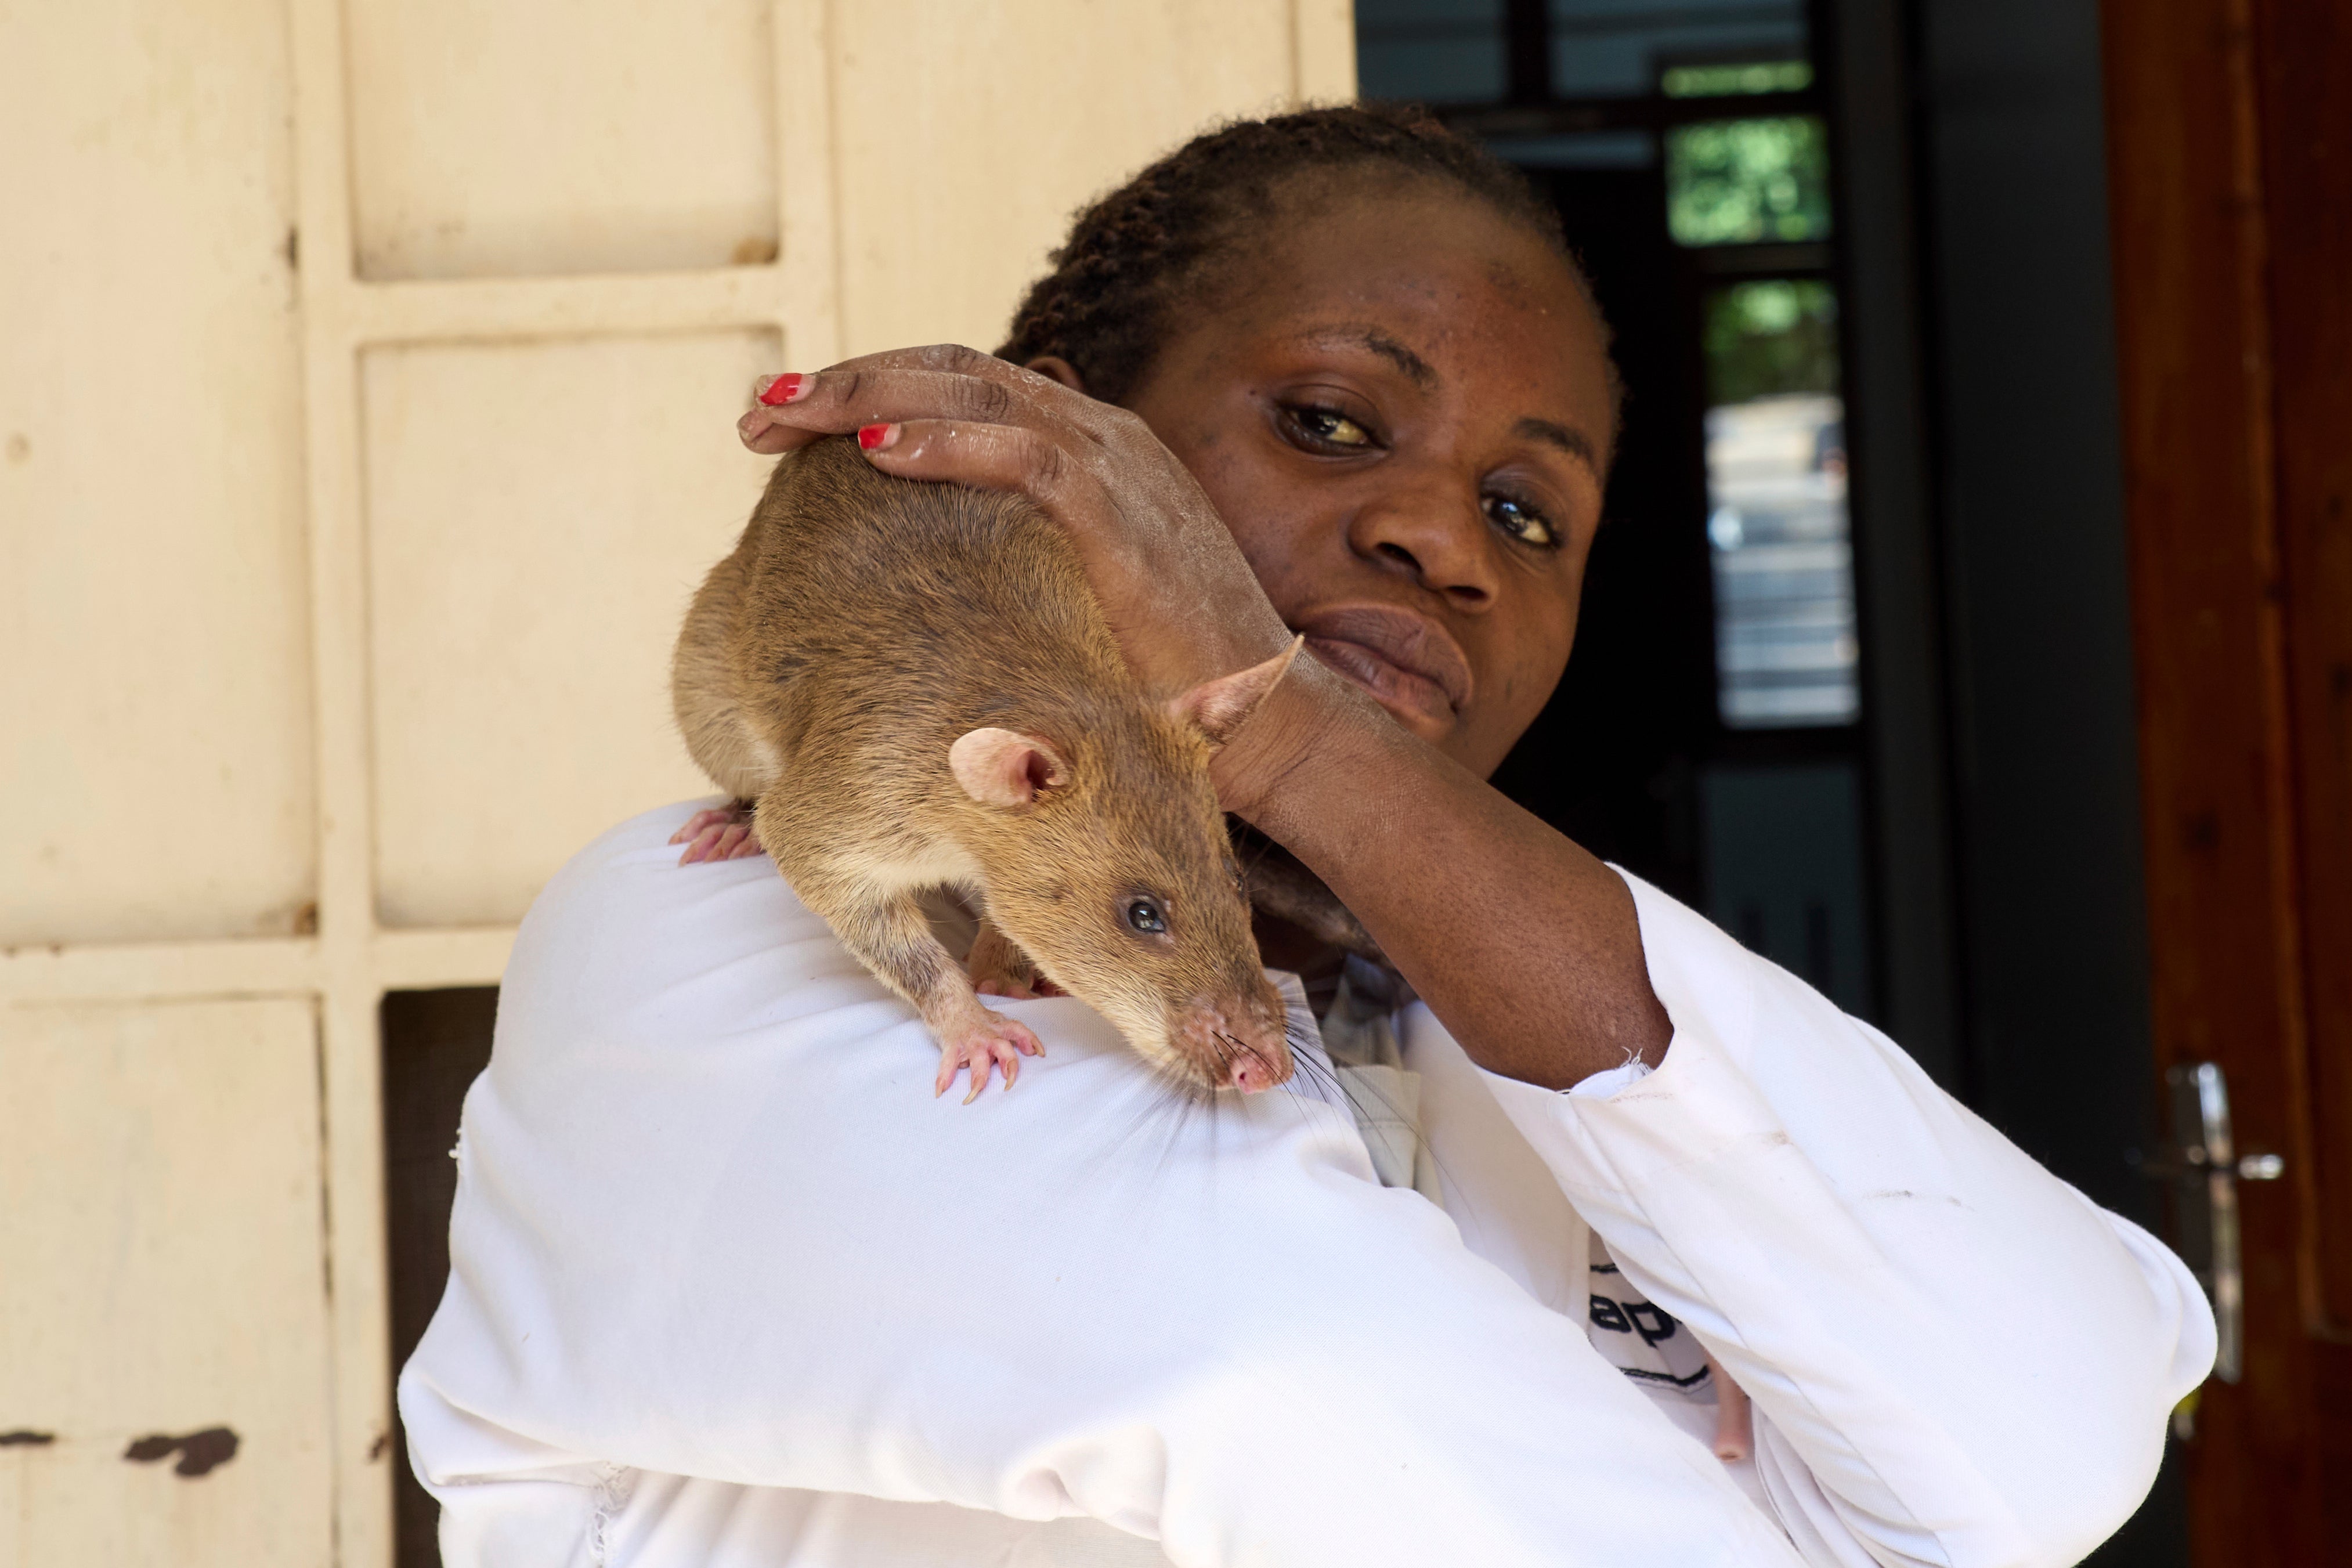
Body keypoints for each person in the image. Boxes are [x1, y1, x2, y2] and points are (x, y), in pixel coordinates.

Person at [399, 106, 2213, 1568]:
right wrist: (1276, 734)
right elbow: (1278, 1374)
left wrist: (1309, 753)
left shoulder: (1496, 1039)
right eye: (1332, 422)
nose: (1445, 542)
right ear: (1030, 446)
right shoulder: (698, 935)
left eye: (1529, 515)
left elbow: (2050, 1443)